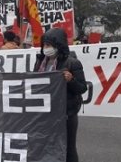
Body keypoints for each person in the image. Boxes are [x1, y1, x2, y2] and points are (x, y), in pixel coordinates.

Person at [33, 28, 87, 162]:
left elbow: (82, 88)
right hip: (46, 113)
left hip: (67, 113)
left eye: (49, 45)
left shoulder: (72, 63)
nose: (45, 48)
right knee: (48, 145)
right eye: (44, 45)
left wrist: (71, 80)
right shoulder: (40, 61)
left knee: (69, 147)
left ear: (58, 45)